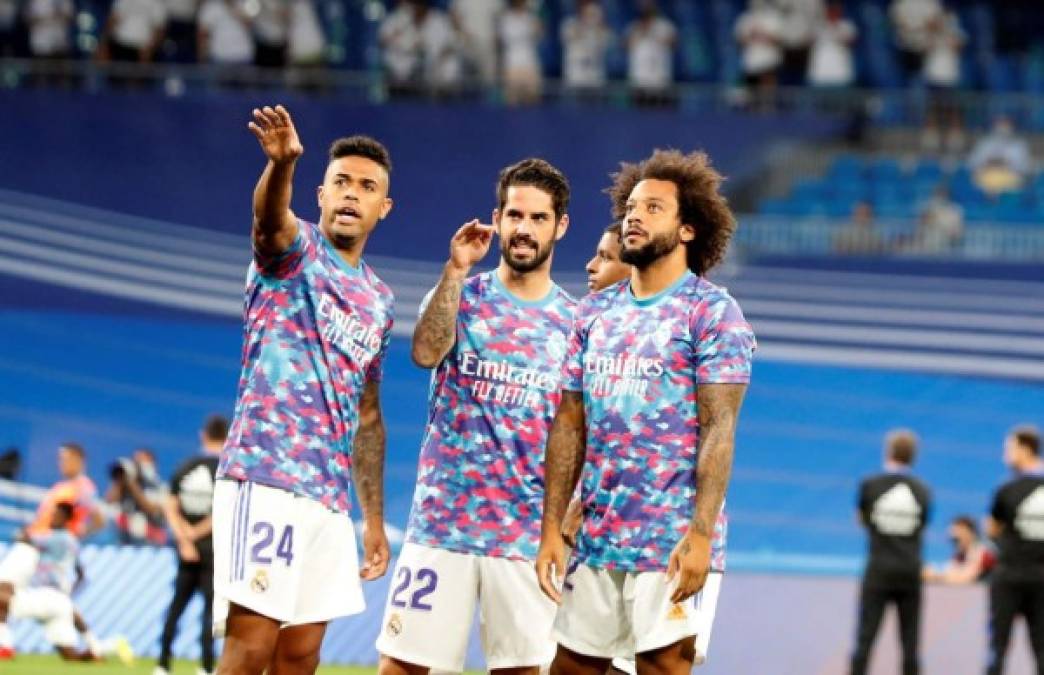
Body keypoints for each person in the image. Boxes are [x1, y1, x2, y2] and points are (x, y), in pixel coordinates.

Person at [537, 149, 756, 674]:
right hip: (598, 535)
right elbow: (570, 424)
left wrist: (701, 533)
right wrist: (550, 527)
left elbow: (719, 429)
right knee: (569, 667)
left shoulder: (711, 312)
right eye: (631, 206)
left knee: (661, 668)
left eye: (654, 208)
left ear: (687, 229)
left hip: (671, 538)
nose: (634, 216)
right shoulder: (592, 313)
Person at [212, 104, 394, 674]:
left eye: (366, 187)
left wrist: (370, 518)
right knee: (250, 647)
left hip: (329, 499)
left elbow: (367, 417)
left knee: (301, 656)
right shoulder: (295, 253)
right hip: (265, 476)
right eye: (341, 181)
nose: (351, 194)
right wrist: (282, 166)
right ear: (320, 193)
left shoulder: (380, 301)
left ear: (382, 209)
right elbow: (268, 221)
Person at [376, 158, 574, 675]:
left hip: (524, 536)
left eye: (537, 218)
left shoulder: (577, 324)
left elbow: (577, 433)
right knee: (402, 667)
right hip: (443, 525)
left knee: (523, 671)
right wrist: (456, 270)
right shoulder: (462, 295)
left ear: (560, 226)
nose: (523, 230)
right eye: (514, 216)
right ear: (497, 218)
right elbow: (423, 353)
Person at [0, 502, 133, 663]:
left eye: (56, 515)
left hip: (43, 595)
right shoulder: (73, 542)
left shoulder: (54, 538)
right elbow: (81, 575)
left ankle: (5, 646)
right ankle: (109, 645)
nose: (52, 518)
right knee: (72, 656)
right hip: (58, 599)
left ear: (66, 519)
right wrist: (69, 594)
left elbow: (24, 539)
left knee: (3, 597)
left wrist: (25, 532)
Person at [850, 430, 932, 675]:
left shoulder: (870, 485)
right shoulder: (922, 490)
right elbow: (922, 524)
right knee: (910, 643)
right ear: (913, 457)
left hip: (878, 570)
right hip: (910, 571)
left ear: (888, 452)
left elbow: (861, 519)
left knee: (865, 638)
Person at [154, 415, 228, 675]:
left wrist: (184, 538)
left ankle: (163, 664)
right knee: (209, 612)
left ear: (203, 435)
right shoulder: (226, 471)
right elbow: (224, 509)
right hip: (213, 551)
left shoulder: (185, 466)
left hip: (185, 552)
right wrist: (197, 534)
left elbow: (169, 506)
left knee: (176, 608)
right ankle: (206, 667)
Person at [985, 426, 1044, 675]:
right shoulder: (1006, 489)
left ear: (1025, 449)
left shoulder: (1007, 490)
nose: (1005, 455)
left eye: (1009, 448)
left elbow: (992, 528)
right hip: (1039, 578)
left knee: (998, 648)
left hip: (1010, 577)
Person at [28, 442, 104, 539]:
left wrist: (73, 535)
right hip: (40, 541)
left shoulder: (84, 487)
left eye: (64, 459)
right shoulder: (59, 486)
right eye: (60, 459)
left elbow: (99, 521)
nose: (61, 463)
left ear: (77, 460)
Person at [106, 447, 168, 546]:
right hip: (124, 540)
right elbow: (109, 502)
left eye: (140, 461)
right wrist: (119, 478)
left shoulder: (159, 486)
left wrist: (133, 485)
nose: (136, 464)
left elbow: (152, 509)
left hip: (150, 542)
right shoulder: (123, 486)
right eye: (135, 461)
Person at [626, 0, 677, 105]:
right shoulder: (634, 27)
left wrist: (657, 37)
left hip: (660, 81)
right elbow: (625, 46)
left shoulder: (665, 26)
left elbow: (674, 44)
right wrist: (642, 32)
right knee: (638, 118)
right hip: (640, 81)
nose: (646, 7)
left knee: (661, 117)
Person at [968, 115, 1032, 195]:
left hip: (1010, 180)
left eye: (1006, 123)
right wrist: (989, 162)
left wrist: (1007, 162)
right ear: (994, 125)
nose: (1003, 127)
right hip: (986, 179)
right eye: (1000, 123)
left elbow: (1025, 168)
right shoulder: (984, 143)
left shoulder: (1019, 145)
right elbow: (972, 164)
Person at [560, 0, 613, 96]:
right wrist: (584, 22)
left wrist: (598, 23)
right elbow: (571, 36)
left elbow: (607, 42)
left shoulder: (600, 29)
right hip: (575, 77)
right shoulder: (569, 24)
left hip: (595, 78)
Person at [923, 515, 995, 584]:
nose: (954, 542)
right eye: (953, 540)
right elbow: (950, 572)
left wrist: (935, 576)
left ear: (969, 532)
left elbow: (967, 578)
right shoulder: (959, 556)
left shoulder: (985, 554)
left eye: (956, 539)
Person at [499, 0, 543, 105]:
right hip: (512, 64)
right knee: (512, 101)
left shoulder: (530, 17)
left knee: (533, 100)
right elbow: (504, 39)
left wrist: (537, 25)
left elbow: (539, 35)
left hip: (529, 63)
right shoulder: (506, 19)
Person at [808, 2, 857, 88]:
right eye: (831, 10)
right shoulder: (818, 26)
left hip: (841, 74)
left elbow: (852, 41)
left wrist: (836, 31)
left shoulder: (847, 27)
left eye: (836, 11)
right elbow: (808, 40)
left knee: (841, 100)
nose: (833, 13)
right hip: (820, 74)